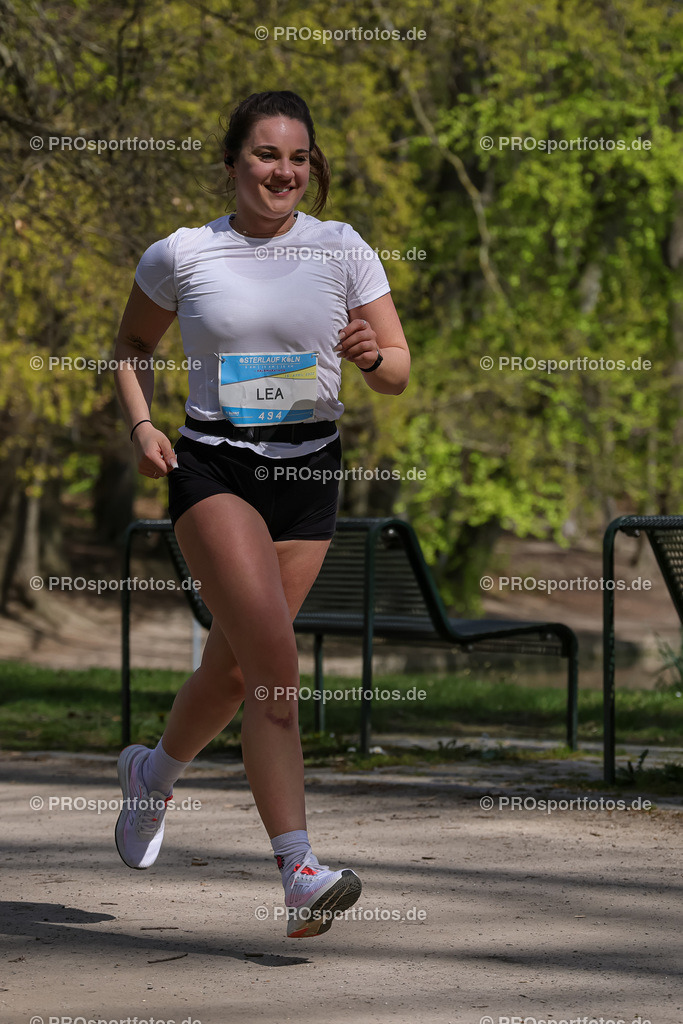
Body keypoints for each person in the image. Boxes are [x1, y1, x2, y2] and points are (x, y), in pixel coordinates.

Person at [112, 90, 410, 938]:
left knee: (241, 669)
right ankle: (299, 870)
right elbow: (130, 347)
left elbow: (395, 368)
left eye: (298, 158)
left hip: (310, 472)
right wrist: (141, 422)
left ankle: (152, 775)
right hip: (215, 469)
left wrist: (371, 353)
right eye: (266, 155)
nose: (284, 172)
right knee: (276, 662)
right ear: (233, 160)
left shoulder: (342, 248)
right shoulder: (182, 253)